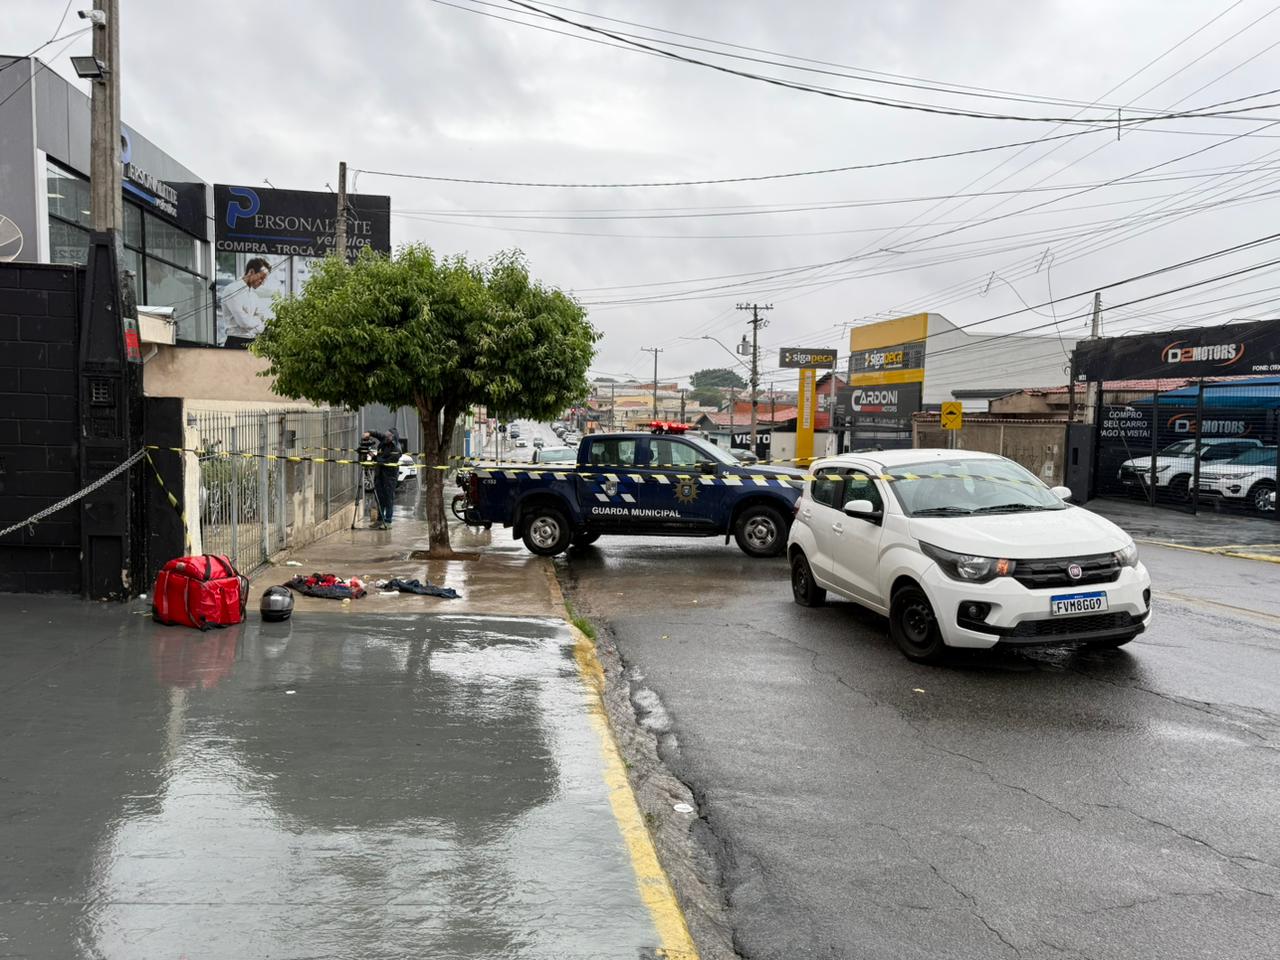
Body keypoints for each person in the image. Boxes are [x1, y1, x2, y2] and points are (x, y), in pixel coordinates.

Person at [218, 257, 272, 346]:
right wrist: (257, 322)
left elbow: (263, 320)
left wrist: (254, 323)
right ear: (251, 272)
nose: (262, 283)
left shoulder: (254, 295)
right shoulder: (232, 290)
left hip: (252, 342)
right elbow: (243, 322)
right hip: (236, 343)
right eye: (261, 278)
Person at [364, 429, 401, 529]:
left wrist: (375, 458)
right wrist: (369, 433)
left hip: (390, 477)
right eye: (386, 434)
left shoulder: (396, 449)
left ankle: (388, 521)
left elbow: (386, 461)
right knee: (379, 498)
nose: (386, 437)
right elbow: (378, 434)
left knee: (388, 499)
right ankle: (380, 520)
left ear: (392, 437)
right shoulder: (384, 441)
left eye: (388, 435)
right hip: (379, 475)